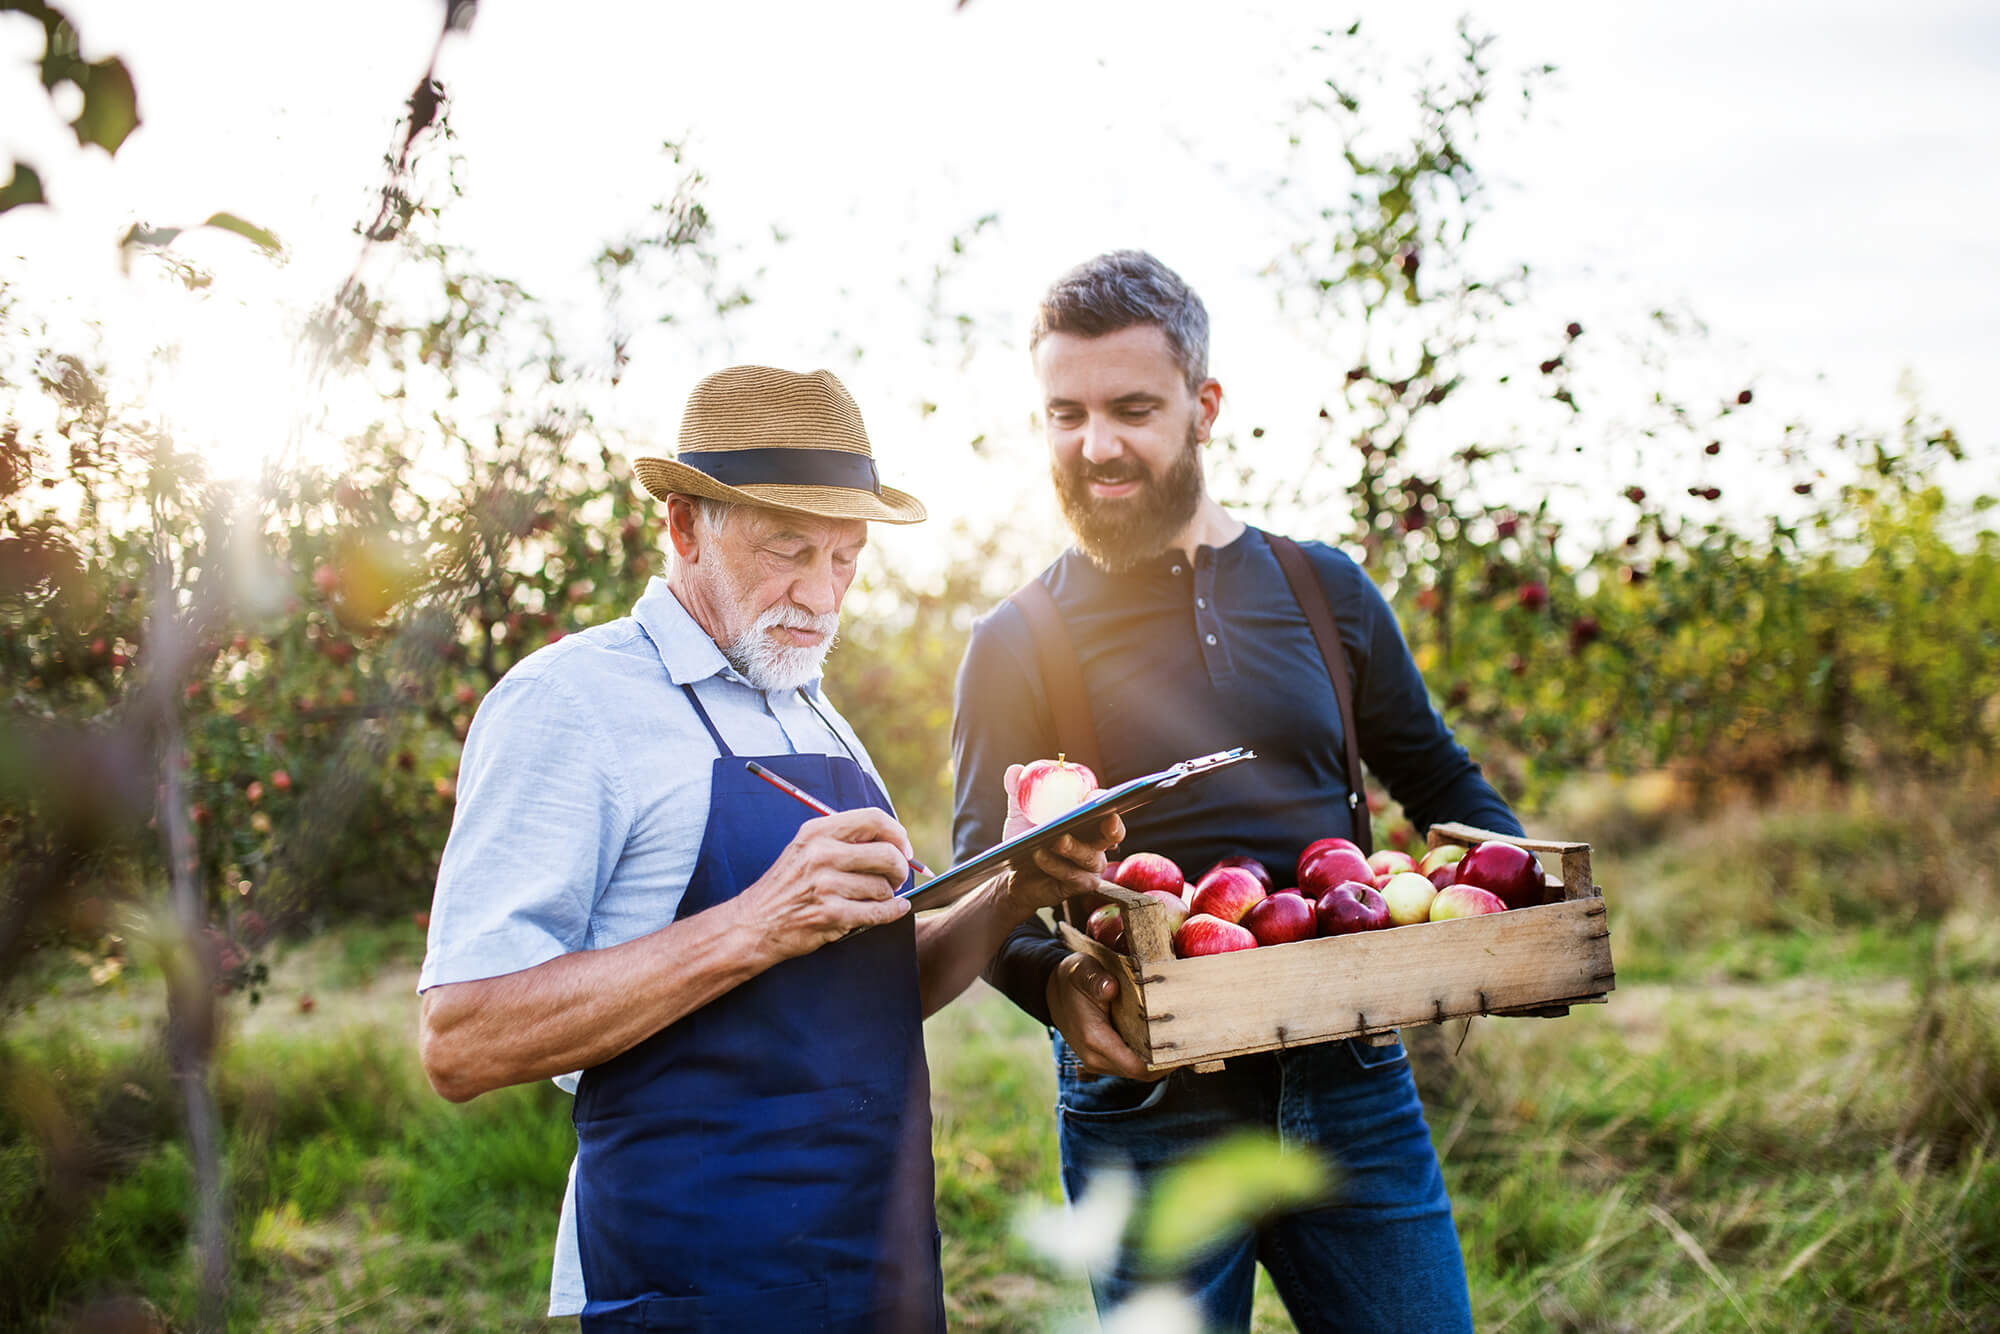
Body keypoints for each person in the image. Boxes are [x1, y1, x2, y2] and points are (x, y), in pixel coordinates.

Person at [418, 365, 1122, 1334]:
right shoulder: (568, 705)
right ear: (681, 524)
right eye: (787, 549)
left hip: (877, 1264)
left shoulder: (812, 710)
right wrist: (754, 922)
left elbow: (875, 984)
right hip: (696, 1279)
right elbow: (461, 1036)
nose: (820, 594)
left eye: (844, 557)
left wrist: (1009, 887)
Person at [950, 252, 1525, 1332]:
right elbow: (980, 869)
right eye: (1063, 413)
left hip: (1351, 1074)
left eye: (1130, 408)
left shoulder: (1324, 590)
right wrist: (1054, 987)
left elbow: (1437, 776)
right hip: (1147, 1094)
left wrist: (1508, 897)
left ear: (1202, 406)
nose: (1094, 445)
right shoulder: (1015, 640)